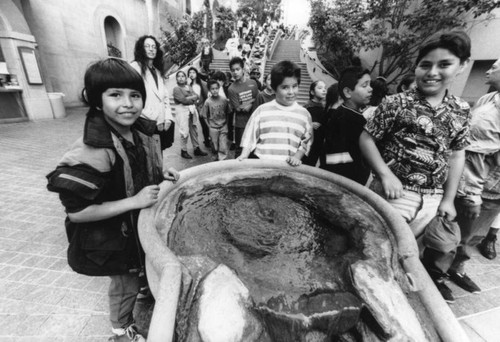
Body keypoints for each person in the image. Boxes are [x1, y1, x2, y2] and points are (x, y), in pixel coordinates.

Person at [46, 58, 179, 342]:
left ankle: (143, 287)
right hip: (111, 237)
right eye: (115, 95)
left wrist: (159, 172)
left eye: (135, 95)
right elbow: (78, 212)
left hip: (132, 229)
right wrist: (133, 202)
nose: (128, 103)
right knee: (124, 283)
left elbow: (137, 166)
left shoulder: (138, 129)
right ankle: (121, 330)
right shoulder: (92, 150)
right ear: (96, 100)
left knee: (138, 271)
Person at [359, 31, 472, 303]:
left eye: (444, 64)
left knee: (410, 255)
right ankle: (369, 299)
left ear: (463, 65)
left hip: (432, 200)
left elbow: (457, 155)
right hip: (394, 195)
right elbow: (366, 138)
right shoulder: (397, 103)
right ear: (416, 67)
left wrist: (448, 199)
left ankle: (396, 298)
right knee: (377, 251)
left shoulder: (461, 109)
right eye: (425, 65)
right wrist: (385, 175)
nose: (432, 72)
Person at [445, 58, 500, 294]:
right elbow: (470, 149)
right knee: (453, 231)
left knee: (473, 234)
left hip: (491, 185)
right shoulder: (488, 104)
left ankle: (456, 268)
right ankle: (436, 271)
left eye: (494, 68)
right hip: (472, 182)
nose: (488, 71)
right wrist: (472, 192)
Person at [238, 60, 313, 166]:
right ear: (274, 88)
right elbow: (249, 135)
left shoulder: (304, 114)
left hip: (289, 167)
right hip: (263, 165)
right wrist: (244, 154)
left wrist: (297, 157)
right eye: (285, 87)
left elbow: (306, 141)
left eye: (294, 86)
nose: (291, 92)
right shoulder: (262, 111)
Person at [320, 67, 372, 184]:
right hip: (342, 181)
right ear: (348, 92)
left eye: (370, 85)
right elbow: (334, 155)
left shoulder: (345, 113)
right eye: (364, 86)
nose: (370, 89)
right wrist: (360, 164)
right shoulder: (349, 119)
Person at [130, 35, 175, 151]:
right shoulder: (134, 68)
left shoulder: (158, 71)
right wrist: (156, 118)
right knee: (147, 159)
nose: (151, 49)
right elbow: (132, 98)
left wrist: (168, 117)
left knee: (158, 159)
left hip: (161, 124)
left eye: (154, 47)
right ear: (141, 49)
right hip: (145, 123)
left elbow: (165, 97)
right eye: (147, 46)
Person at [227, 56, 259, 157]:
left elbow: (257, 100)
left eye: (237, 69)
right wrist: (252, 101)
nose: (235, 72)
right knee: (240, 150)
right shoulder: (231, 89)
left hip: (254, 121)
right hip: (241, 124)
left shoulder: (253, 83)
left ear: (243, 69)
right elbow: (238, 108)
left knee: (254, 148)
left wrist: (251, 102)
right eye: (233, 70)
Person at [173, 70, 208, 159]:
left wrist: (189, 98)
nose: (181, 78)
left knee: (194, 129)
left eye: (183, 76)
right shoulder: (176, 89)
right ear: (176, 78)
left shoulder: (188, 86)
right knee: (184, 130)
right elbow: (183, 100)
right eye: (179, 76)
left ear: (185, 78)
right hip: (182, 111)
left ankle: (196, 148)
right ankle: (183, 150)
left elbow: (197, 96)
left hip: (191, 110)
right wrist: (191, 98)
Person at [200, 79, 231, 161]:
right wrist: (209, 126)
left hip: (223, 126)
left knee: (223, 145)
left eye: (216, 88)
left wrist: (226, 124)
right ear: (210, 90)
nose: (215, 90)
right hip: (213, 127)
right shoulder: (208, 102)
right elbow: (204, 116)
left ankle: (222, 160)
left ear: (219, 88)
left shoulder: (224, 100)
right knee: (214, 146)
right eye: (212, 89)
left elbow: (228, 112)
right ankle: (215, 157)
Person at [303, 80, 327, 167]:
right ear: (312, 92)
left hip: (319, 142)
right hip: (308, 141)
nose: (324, 90)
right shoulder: (307, 106)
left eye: (325, 88)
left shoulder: (325, 107)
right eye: (320, 88)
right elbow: (301, 122)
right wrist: (310, 124)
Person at [187, 66, 211, 149]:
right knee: (199, 125)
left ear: (196, 74)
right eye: (190, 73)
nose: (191, 74)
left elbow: (207, 96)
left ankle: (209, 139)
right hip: (195, 108)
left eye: (193, 72)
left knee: (206, 124)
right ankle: (205, 141)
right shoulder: (189, 85)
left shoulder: (202, 84)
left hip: (203, 106)